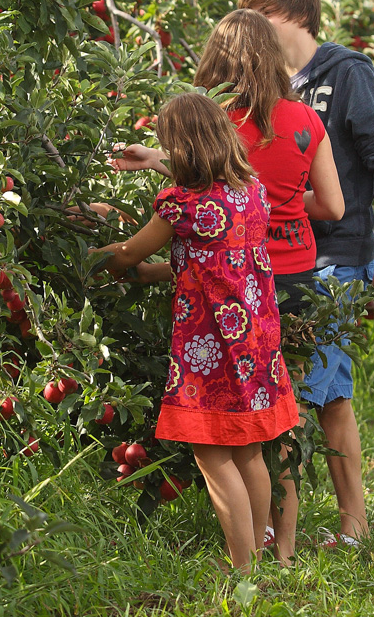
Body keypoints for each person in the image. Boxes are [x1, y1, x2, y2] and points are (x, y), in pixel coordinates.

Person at [112, 9, 344, 560]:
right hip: (267, 310)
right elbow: (328, 206)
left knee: (214, 450)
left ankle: (241, 567)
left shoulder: (191, 184)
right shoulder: (271, 168)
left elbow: (141, 242)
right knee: (262, 443)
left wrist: (99, 255)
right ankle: (275, 552)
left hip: (211, 335)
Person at [93, 92, 301, 573]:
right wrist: (166, 269)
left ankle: (243, 568)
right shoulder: (249, 191)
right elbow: (219, 257)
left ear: (181, 148)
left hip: (211, 346)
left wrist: (83, 254)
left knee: (211, 455)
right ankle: (263, 556)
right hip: (256, 341)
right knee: (249, 451)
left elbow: (127, 254)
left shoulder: (182, 204)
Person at [240, 0, 374, 554]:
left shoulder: (346, 73)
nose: (253, 27)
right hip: (280, 258)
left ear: (294, 16)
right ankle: (334, 523)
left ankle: (318, 528)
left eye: (261, 14)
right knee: (322, 391)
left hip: (338, 255)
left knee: (312, 389)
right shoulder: (263, 86)